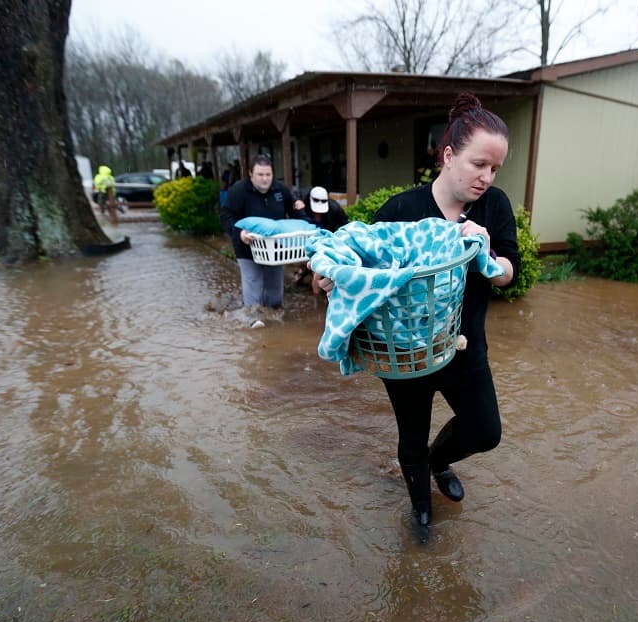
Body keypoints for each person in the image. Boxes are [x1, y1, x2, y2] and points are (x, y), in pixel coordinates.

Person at [312, 92, 520, 541]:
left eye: (494, 169)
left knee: (485, 430)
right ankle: (421, 507)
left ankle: (439, 461)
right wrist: (333, 280)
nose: (487, 177)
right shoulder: (402, 212)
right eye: (478, 164)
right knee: (411, 435)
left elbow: (508, 272)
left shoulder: (494, 208)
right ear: (448, 155)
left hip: (464, 345)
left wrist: (488, 251)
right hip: (405, 350)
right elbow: (361, 266)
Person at [219, 154, 299, 327]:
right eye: (260, 175)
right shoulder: (239, 191)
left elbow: (295, 211)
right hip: (246, 245)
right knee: (253, 281)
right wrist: (238, 233)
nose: (265, 179)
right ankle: (252, 320)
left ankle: (275, 316)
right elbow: (225, 215)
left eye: (268, 175)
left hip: (275, 248)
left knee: (275, 286)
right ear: (251, 174)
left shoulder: (280, 190)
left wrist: (304, 224)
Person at [291, 186, 349, 285]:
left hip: (325, 235)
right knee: (310, 263)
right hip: (307, 235)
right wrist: (296, 201)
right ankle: (304, 273)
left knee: (318, 267)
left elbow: (345, 225)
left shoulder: (335, 208)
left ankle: (315, 286)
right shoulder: (302, 203)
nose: (318, 213)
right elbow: (292, 193)